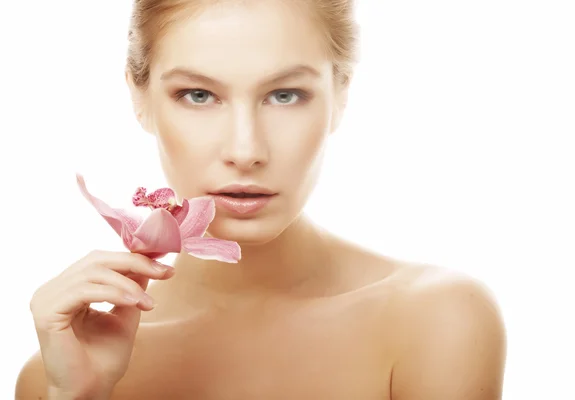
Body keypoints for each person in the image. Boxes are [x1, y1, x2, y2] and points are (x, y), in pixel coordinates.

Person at [15, 0, 506, 399]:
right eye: (199, 95)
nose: (245, 151)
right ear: (139, 97)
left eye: (285, 95)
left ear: (341, 95)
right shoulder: (61, 369)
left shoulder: (436, 321)